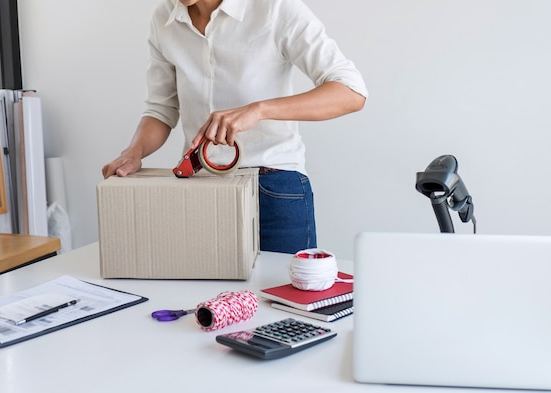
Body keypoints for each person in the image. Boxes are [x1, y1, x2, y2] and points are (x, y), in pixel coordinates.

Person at [102, 0, 368, 254]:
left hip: (274, 188)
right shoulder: (163, 18)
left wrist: (258, 110)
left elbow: (351, 92)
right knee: (203, 300)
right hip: (201, 188)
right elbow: (161, 109)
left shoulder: (275, 8)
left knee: (282, 297)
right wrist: (133, 152)